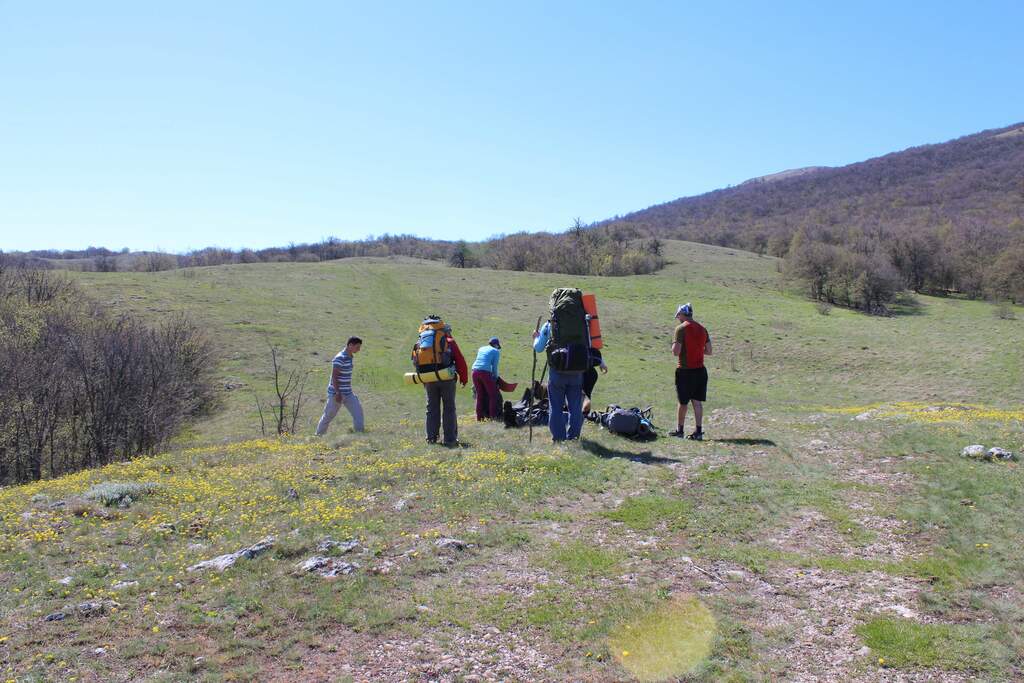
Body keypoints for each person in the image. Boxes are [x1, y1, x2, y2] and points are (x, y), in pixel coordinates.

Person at [533, 322, 585, 441]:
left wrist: (536, 338)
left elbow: (539, 348)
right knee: (575, 407)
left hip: (557, 372)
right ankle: (573, 437)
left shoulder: (549, 325)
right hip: (576, 371)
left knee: (556, 407)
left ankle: (559, 438)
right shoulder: (582, 322)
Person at [670, 303, 712, 440]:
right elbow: (709, 351)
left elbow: (676, 352)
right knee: (697, 402)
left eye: (678, 316)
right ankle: (698, 431)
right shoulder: (703, 329)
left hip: (684, 371)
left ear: (682, 314)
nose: (678, 319)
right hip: (700, 371)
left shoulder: (680, 329)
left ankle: (680, 430)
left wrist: (674, 346)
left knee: (682, 402)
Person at [422, 323, 468, 446]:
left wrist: (424, 379)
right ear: (446, 331)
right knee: (449, 408)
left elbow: (418, 361)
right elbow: (460, 360)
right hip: (447, 378)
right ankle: (450, 439)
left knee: (431, 408)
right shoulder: (449, 341)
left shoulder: (423, 342)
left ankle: (431, 438)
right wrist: (464, 378)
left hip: (429, 379)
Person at [316, 336, 364, 435]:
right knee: (328, 416)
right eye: (357, 347)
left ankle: (360, 436)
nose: (359, 350)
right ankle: (318, 437)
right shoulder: (340, 358)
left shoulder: (350, 356)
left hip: (348, 393)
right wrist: (338, 393)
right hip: (336, 394)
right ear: (350, 345)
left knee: (358, 413)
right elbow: (334, 376)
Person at [471, 336, 502, 420]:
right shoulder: (496, 351)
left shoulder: (481, 348)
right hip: (485, 373)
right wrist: (495, 378)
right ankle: (493, 417)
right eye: (497, 346)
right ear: (496, 345)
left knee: (479, 395)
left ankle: (479, 418)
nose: (498, 348)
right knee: (493, 395)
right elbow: (494, 367)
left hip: (474, 371)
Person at [582, 347, 608, 417]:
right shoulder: (586, 337)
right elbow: (594, 348)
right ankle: (584, 414)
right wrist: (602, 363)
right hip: (591, 372)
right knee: (586, 395)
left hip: (580, 371)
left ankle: (583, 414)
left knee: (581, 395)